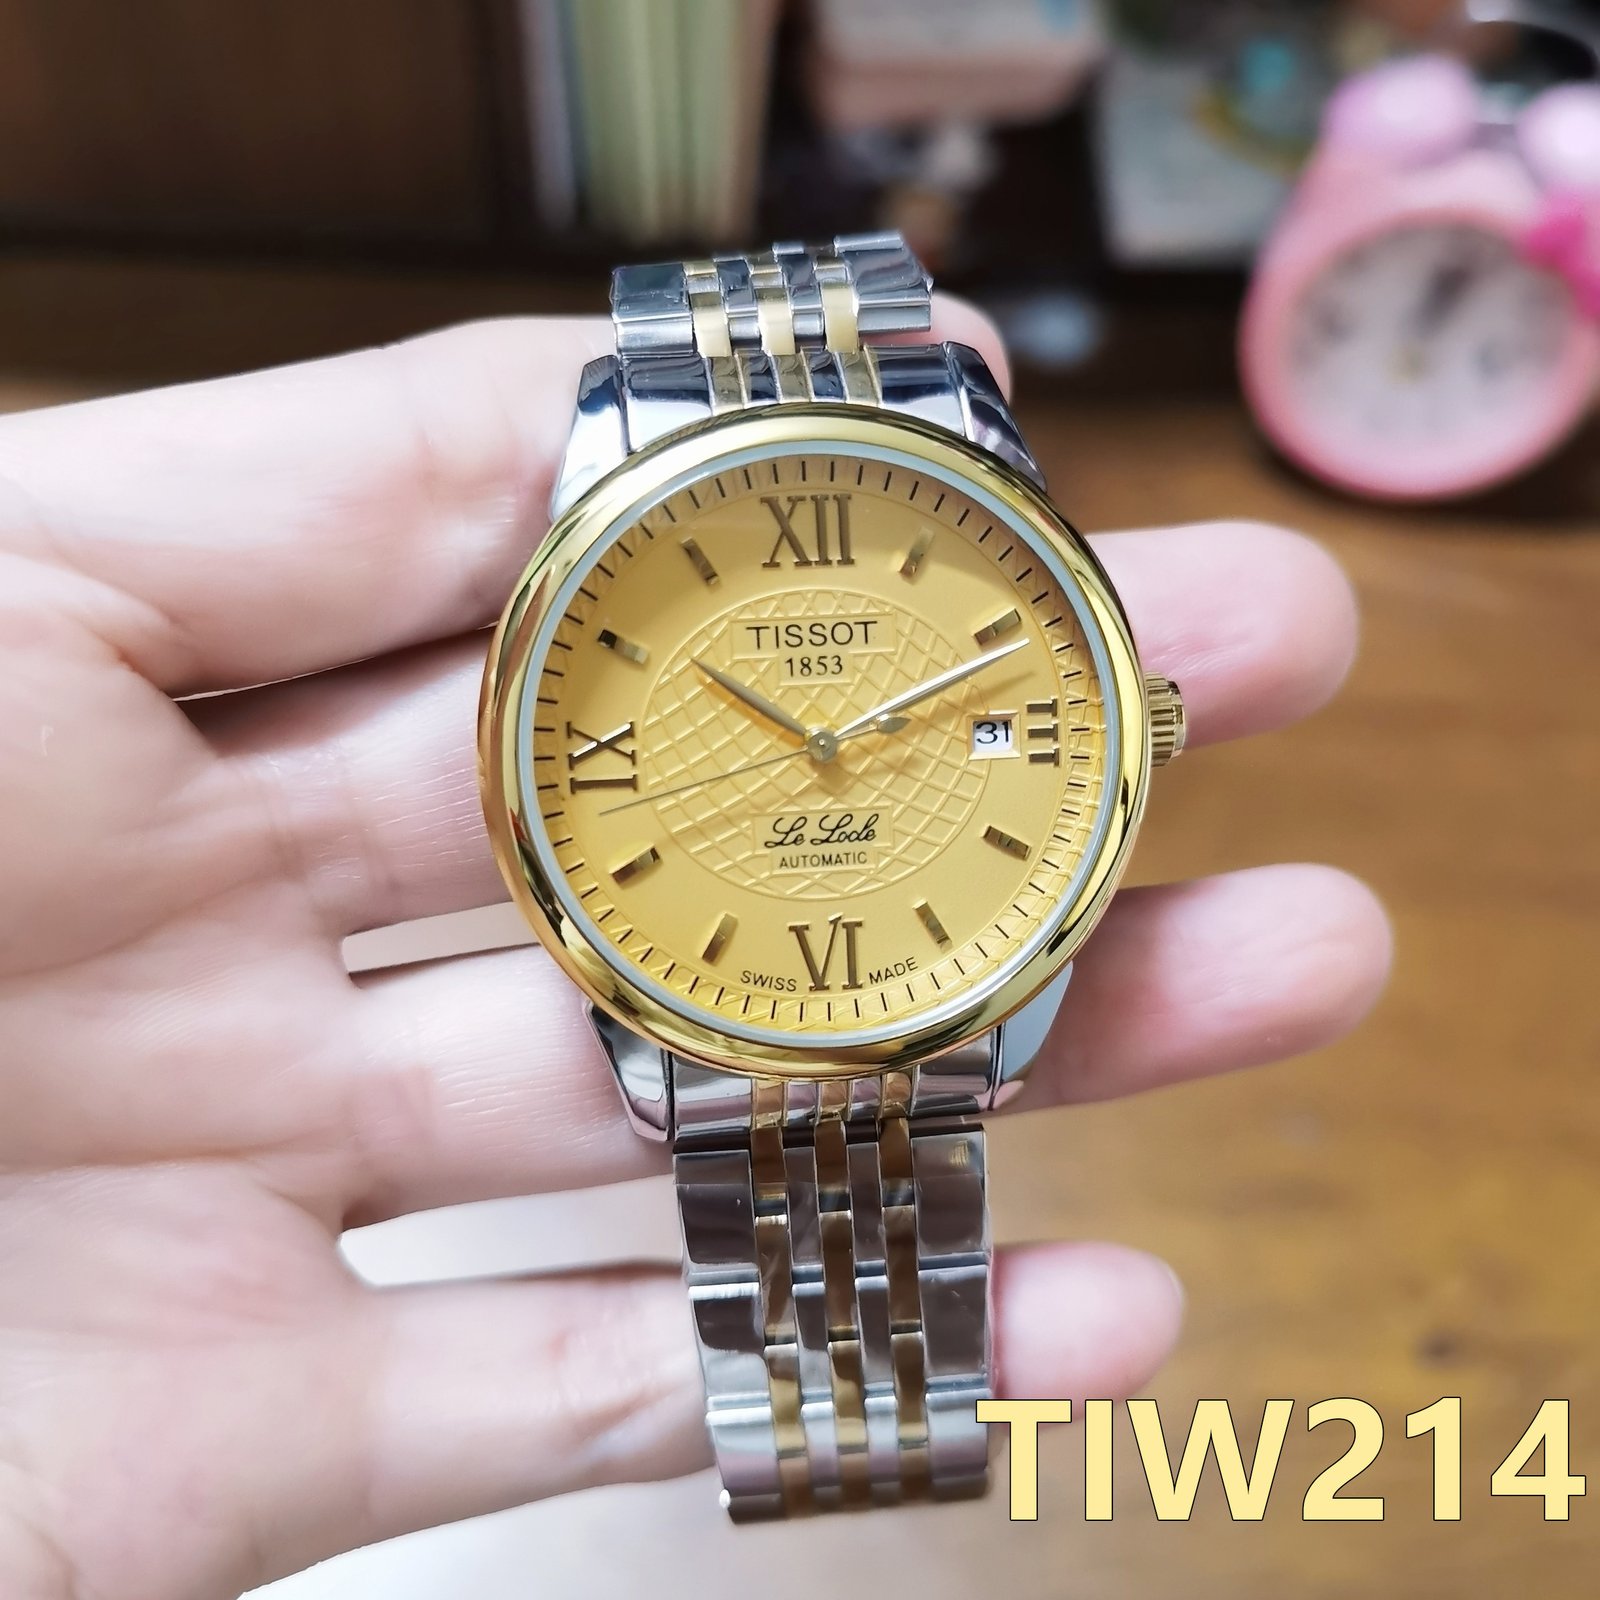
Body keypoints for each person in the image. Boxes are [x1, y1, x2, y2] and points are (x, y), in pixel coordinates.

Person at [0, 303, 1390, 1599]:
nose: (827, 753)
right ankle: (854, 1429)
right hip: (713, 984)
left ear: (1134, 720)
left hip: (910, 970)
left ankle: (857, 1427)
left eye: (831, 745)